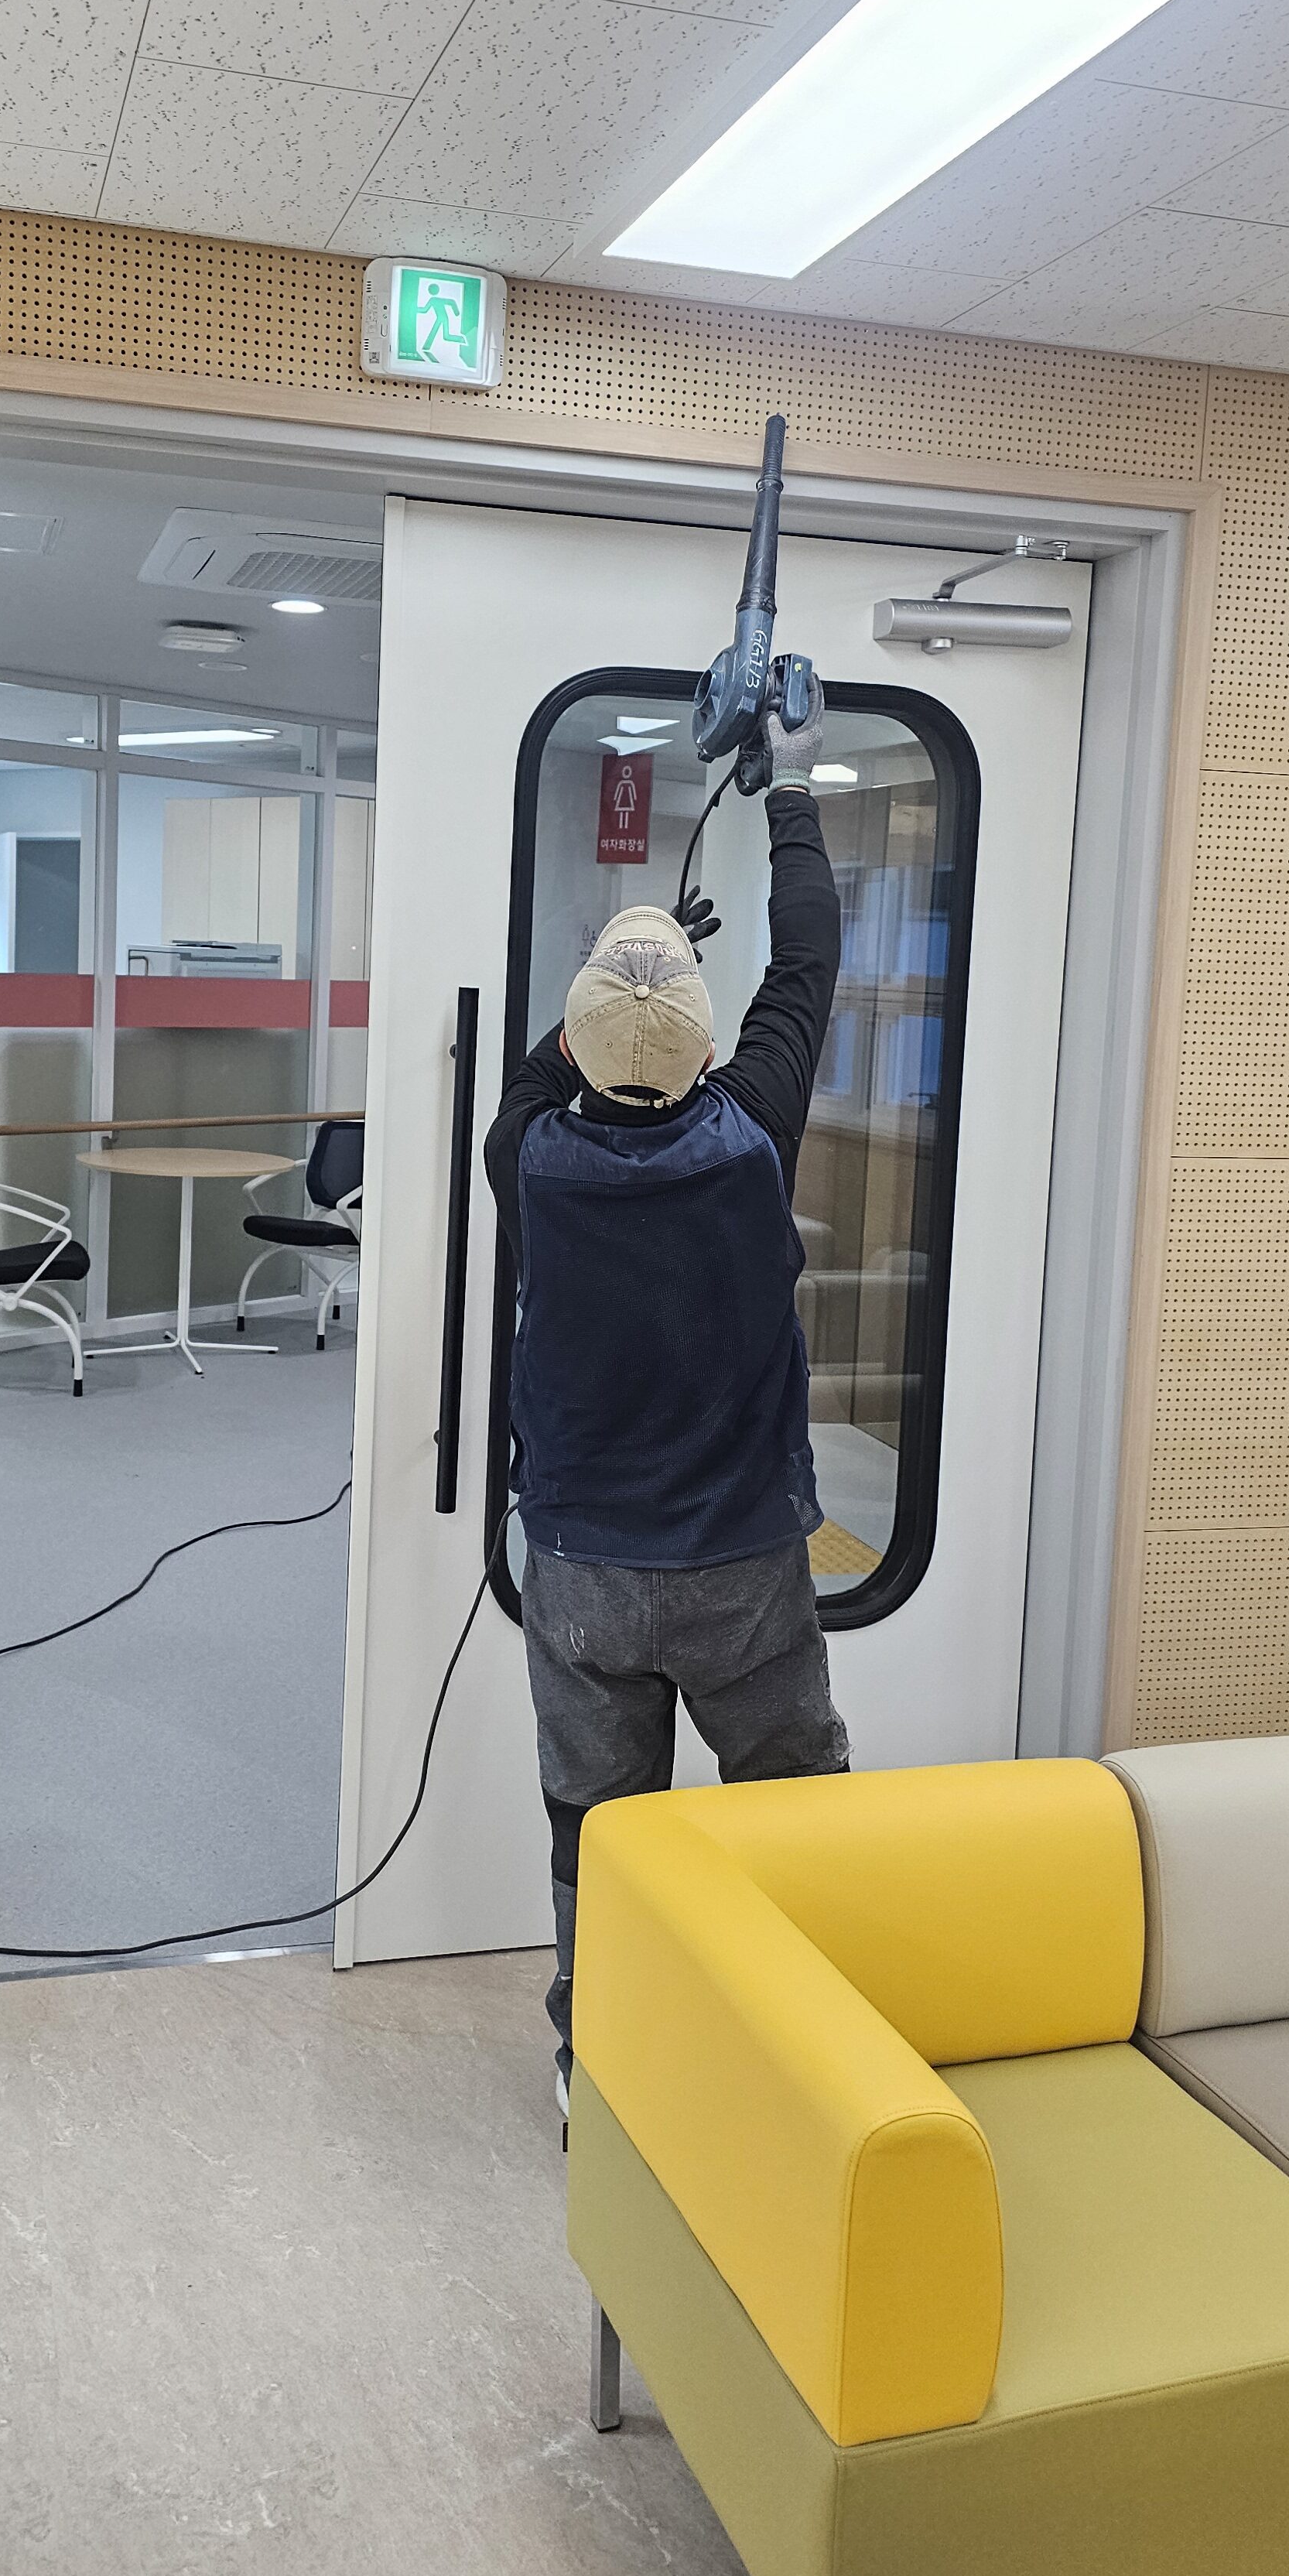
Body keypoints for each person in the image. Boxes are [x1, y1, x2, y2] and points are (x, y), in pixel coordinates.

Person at [484, 700, 848, 2112]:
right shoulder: (753, 1137)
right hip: (745, 1569)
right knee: (792, 1814)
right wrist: (791, 787)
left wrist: (626, 979)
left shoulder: (529, 1158)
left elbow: (548, 1068)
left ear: (581, 1044)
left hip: (580, 1570)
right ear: (704, 1048)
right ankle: (798, 2053)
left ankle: (600, 2061)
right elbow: (806, 960)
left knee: (600, 1830)